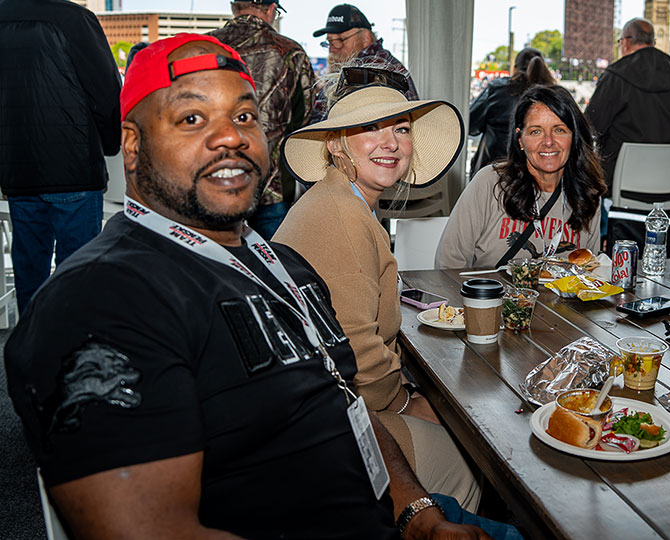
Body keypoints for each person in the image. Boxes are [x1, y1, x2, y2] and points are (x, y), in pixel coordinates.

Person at [5, 33, 512, 540]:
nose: (231, 136)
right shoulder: (99, 300)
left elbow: (342, 401)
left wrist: (418, 515)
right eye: (192, 118)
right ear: (132, 147)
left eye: (245, 116)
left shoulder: (280, 265)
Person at [273, 68, 482, 512]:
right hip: (329, 425)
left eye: (401, 129)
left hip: (325, 405)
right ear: (336, 144)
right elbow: (359, 358)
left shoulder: (339, 202)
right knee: (472, 463)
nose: (390, 143)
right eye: (370, 128)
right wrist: (407, 400)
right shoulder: (342, 217)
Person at [0, 0, 121, 314]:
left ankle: (30, 346)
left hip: (17, 167)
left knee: (29, 267)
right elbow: (106, 90)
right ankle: (71, 350)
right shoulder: (73, 18)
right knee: (79, 270)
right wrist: (110, 145)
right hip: (73, 164)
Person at [436, 85, 605, 269]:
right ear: (520, 140)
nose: (548, 142)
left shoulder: (588, 195)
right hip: (490, 297)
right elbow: (449, 264)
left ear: (574, 137)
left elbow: (589, 275)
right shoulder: (490, 183)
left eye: (559, 130)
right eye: (535, 131)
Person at [210, 0, 318, 239]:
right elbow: (306, 121)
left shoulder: (205, 48)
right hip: (274, 186)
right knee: (277, 266)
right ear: (271, 10)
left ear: (233, 8)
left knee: (217, 266)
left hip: (215, 179)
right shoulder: (290, 51)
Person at [584, 17, 670, 192]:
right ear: (653, 42)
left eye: (619, 41)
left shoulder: (615, 78)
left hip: (620, 187)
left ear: (626, 42)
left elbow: (590, 127)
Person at [312, 3, 418, 121]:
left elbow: (328, 118)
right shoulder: (379, 61)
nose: (332, 49)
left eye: (340, 40)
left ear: (365, 38)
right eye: (330, 42)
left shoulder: (371, 68)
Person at [469, 48, 555, 175]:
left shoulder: (496, 89)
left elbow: (471, 125)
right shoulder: (553, 96)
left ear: (515, 69)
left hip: (492, 172)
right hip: (537, 177)